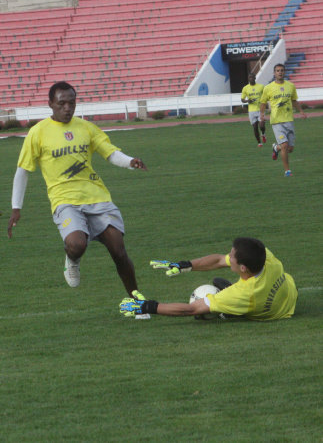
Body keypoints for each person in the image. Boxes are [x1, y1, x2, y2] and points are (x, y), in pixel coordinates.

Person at [8, 81, 149, 317]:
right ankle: (72, 260)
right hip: (65, 201)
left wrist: (129, 161)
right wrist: (16, 208)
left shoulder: (86, 127)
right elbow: (22, 171)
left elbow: (109, 152)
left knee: (119, 251)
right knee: (77, 244)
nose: (67, 108)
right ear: (50, 104)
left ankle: (137, 303)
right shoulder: (38, 133)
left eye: (71, 102)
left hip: (97, 197)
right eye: (61, 103)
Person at [119, 237, 298, 321]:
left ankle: (226, 311)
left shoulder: (242, 294)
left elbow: (190, 309)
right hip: (290, 293)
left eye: (232, 255)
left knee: (213, 308)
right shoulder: (265, 256)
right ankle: (226, 307)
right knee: (233, 298)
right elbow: (220, 260)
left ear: (243, 268)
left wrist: (148, 306)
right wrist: (184, 265)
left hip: (273, 312)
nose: (228, 255)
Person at [259, 63, 306, 177]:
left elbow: (294, 100)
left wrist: (301, 111)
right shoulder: (268, 88)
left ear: (284, 72)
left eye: (282, 70)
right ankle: (287, 171)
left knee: (290, 149)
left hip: (289, 120)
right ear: (274, 73)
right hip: (276, 121)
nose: (280, 72)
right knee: (285, 146)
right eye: (278, 70)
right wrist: (262, 114)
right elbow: (263, 102)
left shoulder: (290, 86)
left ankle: (276, 147)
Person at [241, 73, 266, 147]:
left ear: (255, 78)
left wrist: (264, 103)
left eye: (252, 77)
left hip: (260, 109)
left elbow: (265, 95)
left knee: (261, 125)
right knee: (255, 127)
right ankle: (259, 142)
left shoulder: (261, 87)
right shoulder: (245, 88)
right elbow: (242, 99)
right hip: (251, 111)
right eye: (249, 77)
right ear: (248, 79)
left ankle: (263, 134)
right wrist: (247, 101)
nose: (251, 78)